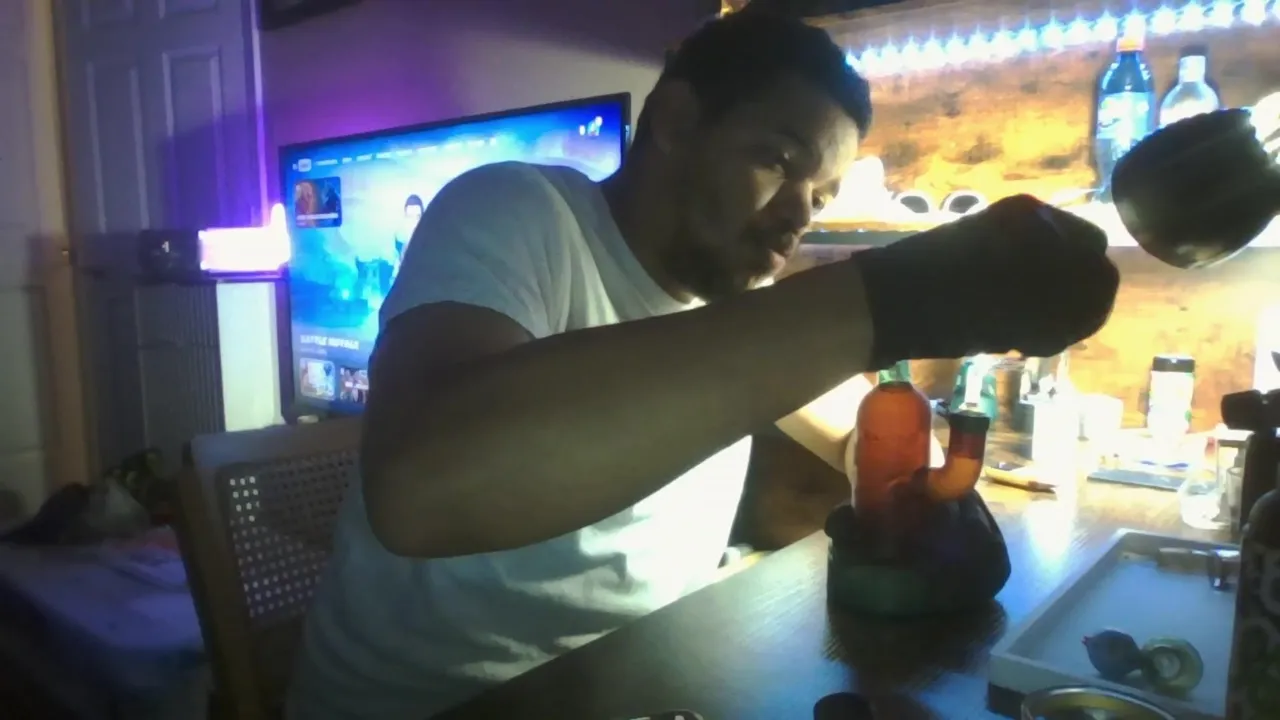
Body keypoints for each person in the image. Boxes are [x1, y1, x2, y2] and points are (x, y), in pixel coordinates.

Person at [286, 11, 1118, 720]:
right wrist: (897, 296)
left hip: (643, 684)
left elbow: (866, 433)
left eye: (822, 196)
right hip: (436, 703)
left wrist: (912, 497)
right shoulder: (519, 209)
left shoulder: (741, 301)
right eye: (780, 162)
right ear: (678, 121)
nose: (798, 215)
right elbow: (423, 488)